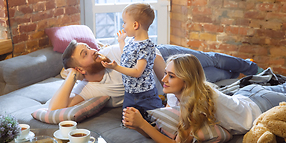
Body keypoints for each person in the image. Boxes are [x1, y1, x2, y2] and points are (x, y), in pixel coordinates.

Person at [122, 54, 286, 143]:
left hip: (262, 106)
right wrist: (139, 125)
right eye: (165, 74)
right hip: (250, 94)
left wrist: (143, 125)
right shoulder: (186, 93)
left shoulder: (194, 103)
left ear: (186, 80)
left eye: (171, 76)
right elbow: (165, 126)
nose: (163, 79)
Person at [47, 41, 261, 111]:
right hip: (171, 83)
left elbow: (149, 52)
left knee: (213, 59)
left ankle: (254, 69)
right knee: (213, 75)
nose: (93, 51)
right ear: (80, 70)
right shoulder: (88, 89)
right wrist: (70, 78)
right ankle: (234, 72)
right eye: (85, 54)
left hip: (164, 56)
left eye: (89, 48)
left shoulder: (112, 52)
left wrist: (164, 81)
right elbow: (55, 109)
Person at [101, 3, 163, 112]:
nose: (123, 26)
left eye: (124, 23)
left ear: (135, 25)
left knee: (157, 118)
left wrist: (116, 67)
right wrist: (121, 42)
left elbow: (137, 72)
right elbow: (127, 54)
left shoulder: (146, 47)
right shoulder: (131, 41)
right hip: (130, 92)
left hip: (145, 94)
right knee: (127, 120)